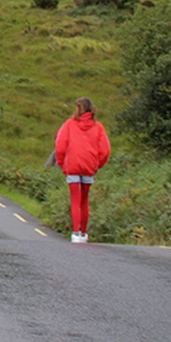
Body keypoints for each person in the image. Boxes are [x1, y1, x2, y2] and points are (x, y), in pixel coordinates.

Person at [54, 97, 110, 243]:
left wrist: (61, 163)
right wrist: (98, 165)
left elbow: (60, 146)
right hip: (89, 166)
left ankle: (75, 233)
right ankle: (84, 234)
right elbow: (105, 150)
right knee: (85, 200)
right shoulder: (98, 127)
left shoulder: (69, 124)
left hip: (72, 165)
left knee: (75, 200)